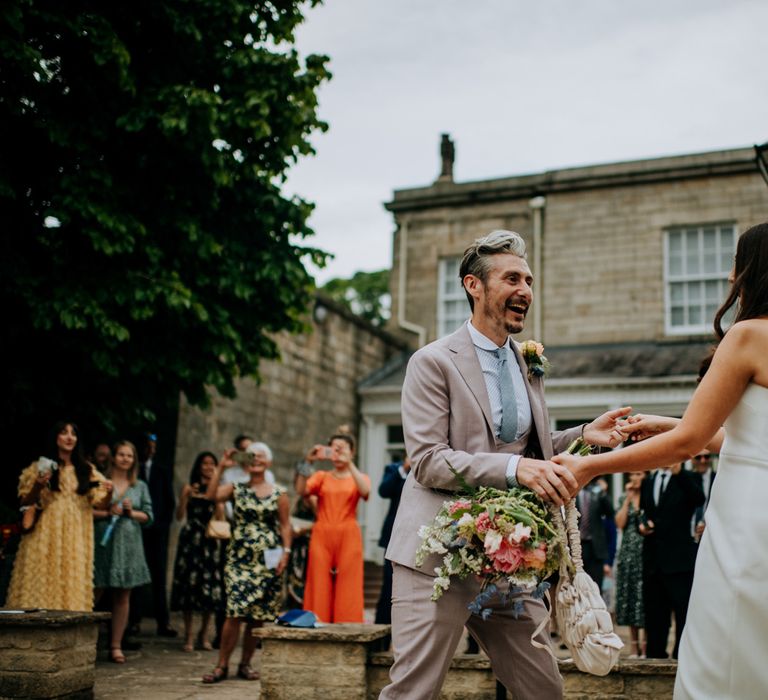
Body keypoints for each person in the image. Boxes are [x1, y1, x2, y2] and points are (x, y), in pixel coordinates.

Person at [380, 230, 631, 700]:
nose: (526, 291)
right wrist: (518, 471)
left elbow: (525, 452)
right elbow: (430, 461)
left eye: (529, 280)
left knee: (543, 689)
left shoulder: (527, 364)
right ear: (474, 286)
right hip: (435, 559)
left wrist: (582, 436)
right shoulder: (432, 361)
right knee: (414, 691)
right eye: (512, 278)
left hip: (508, 561)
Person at [554, 222, 768, 697]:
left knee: (723, 656)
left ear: (752, 268)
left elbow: (689, 443)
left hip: (746, 523)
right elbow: (744, 439)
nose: (727, 271)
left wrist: (590, 466)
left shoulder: (749, 335)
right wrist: (668, 422)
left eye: (735, 261)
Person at [202, 442, 291, 684]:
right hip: (239, 556)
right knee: (234, 610)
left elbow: (285, 525)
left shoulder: (279, 493)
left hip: (267, 558)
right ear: (246, 461)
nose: (256, 460)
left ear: (269, 463)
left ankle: (245, 664)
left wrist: (286, 552)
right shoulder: (236, 487)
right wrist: (221, 466)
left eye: (261, 456)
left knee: (257, 614)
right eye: (252, 456)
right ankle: (222, 665)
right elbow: (210, 496)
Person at [7, 421, 112, 611]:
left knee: (69, 575)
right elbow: (25, 502)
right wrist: (38, 486)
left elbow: (102, 503)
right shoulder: (41, 466)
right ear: (55, 437)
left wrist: (110, 493)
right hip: (45, 531)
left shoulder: (86, 470)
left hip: (75, 532)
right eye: (64, 433)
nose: (70, 437)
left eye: (73, 433)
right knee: (41, 574)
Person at [296, 429, 371, 623]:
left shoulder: (359, 477)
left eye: (342, 449)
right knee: (318, 580)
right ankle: (316, 621)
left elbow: (365, 492)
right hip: (322, 530)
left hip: (348, 532)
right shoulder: (322, 476)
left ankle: (347, 625)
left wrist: (349, 463)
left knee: (349, 581)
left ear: (351, 451)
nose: (337, 453)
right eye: (334, 449)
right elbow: (301, 490)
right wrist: (308, 462)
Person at [93, 440, 153, 664]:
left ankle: (116, 645)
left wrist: (131, 512)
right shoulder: (101, 481)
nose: (125, 459)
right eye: (121, 454)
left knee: (123, 595)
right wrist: (109, 511)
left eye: (129, 455)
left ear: (134, 460)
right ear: (114, 457)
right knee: (95, 591)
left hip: (129, 545)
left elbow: (148, 517)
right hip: (103, 544)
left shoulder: (140, 486)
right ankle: (86, 642)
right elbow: (88, 510)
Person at [170, 451, 225, 652]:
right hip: (191, 539)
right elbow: (179, 516)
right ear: (198, 466)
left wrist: (217, 499)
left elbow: (220, 518)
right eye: (205, 463)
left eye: (212, 464)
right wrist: (185, 497)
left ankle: (204, 634)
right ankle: (189, 635)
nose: (208, 467)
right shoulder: (188, 487)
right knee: (189, 588)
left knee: (209, 589)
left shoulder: (218, 490)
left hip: (208, 540)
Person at [134, 433, 177, 638]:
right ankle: (133, 621)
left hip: (156, 532)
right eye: (147, 445)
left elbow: (169, 502)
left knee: (158, 576)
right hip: (136, 531)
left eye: (153, 445)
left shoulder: (161, 471)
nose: (150, 449)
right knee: (135, 577)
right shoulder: (134, 471)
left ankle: (163, 621)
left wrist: (161, 525)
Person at [374, 456, 410, 625]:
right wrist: (404, 468)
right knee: (388, 587)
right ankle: (381, 637)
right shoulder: (394, 469)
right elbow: (383, 491)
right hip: (394, 537)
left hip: (420, 536)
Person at [614, 471, 646, 658]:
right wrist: (627, 499)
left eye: (639, 474)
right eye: (632, 474)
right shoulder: (623, 498)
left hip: (644, 549)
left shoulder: (648, 495)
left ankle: (645, 646)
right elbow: (620, 523)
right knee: (631, 597)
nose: (635, 478)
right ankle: (634, 647)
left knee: (644, 600)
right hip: (628, 552)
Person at [575, 477, 615, 594]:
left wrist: (603, 492)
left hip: (595, 549)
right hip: (577, 547)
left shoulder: (597, 493)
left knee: (596, 589)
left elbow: (610, 512)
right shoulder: (574, 493)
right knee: (577, 589)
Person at [690, 450, 716, 542]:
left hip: (711, 537)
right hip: (687, 539)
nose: (703, 461)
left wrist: (709, 526)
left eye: (706, 457)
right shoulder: (686, 479)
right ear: (692, 459)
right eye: (698, 457)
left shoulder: (717, 479)